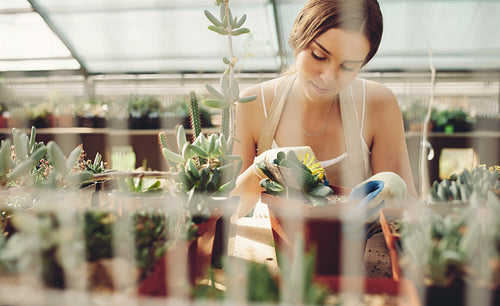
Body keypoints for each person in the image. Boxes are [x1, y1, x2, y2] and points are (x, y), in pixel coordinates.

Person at [231, 0, 417, 218]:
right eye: (319, 55)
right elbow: (229, 211)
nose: (328, 77)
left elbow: (406, 211)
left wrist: (394, 192)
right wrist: (261, 170)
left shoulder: (378, 104)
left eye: (348, 66)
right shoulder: (253, 103)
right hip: (271, 248)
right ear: (299, 38)